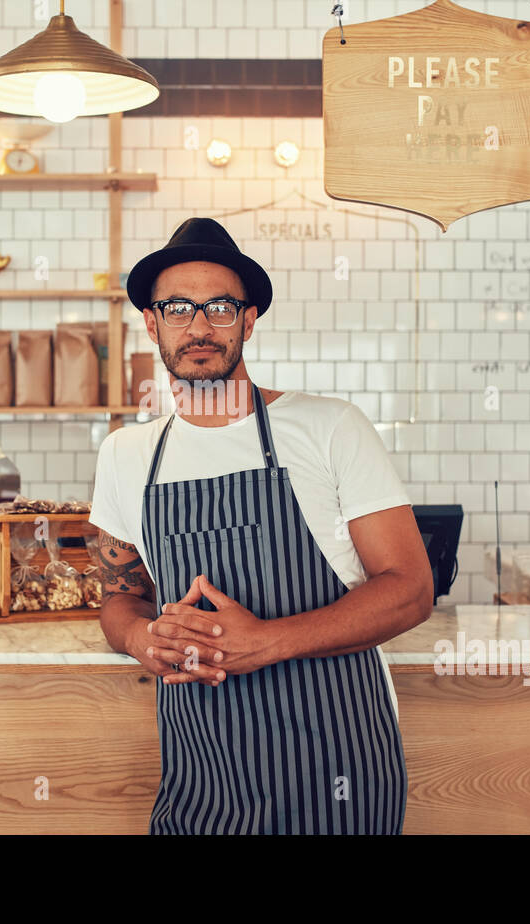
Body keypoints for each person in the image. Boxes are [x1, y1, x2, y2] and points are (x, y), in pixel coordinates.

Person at [89, 217, 435, 834]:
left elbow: (410, 588)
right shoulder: (126, 453)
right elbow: (121, 598)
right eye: (177, 308)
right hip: (200, 772)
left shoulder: (330, 426)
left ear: (249, 320)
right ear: (152, 323)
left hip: (338, 766)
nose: (199, 327)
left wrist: (263, 642)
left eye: (220, 307)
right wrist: (144, 642)